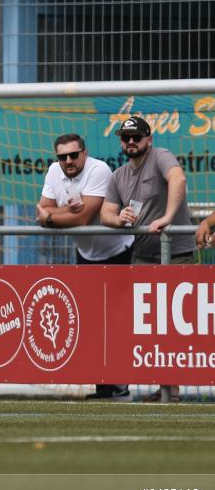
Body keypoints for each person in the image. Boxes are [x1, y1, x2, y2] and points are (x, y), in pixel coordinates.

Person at [100, 116, 196, 402]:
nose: (130, 142)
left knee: (176, 324)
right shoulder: (118, 175)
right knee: (144, 323)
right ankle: (159, 386)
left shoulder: (161, 156)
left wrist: (167, 217)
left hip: (176, 252)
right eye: (125, 137)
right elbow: (106, 213)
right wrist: (119, 220)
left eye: (136, 137)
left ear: (148, 139)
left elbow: (178, 178)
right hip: (142, 255)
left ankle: (172, 390)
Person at [36, 133, 134, 401]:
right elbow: (40, 211)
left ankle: (122, 386)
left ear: (84, 153)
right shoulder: (54, 171)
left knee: (118, 322)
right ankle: (103, 387)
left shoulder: (99, 170)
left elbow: (84, 216)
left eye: (73, 155)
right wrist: (58, 215)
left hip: (118, 252)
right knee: (91, 324)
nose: (68, 161)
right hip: (86, 254)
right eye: (62, 156)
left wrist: (52, 217)